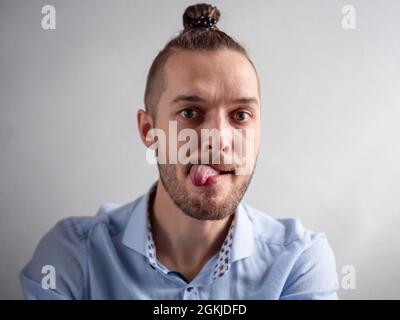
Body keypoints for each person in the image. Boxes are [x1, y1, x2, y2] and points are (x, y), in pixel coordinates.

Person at [20, 3, 339, 299]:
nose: (217, 139)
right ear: (148, 131)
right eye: (190, 113)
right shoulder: (71, 256)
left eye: (240, 115)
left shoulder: (300, 261)